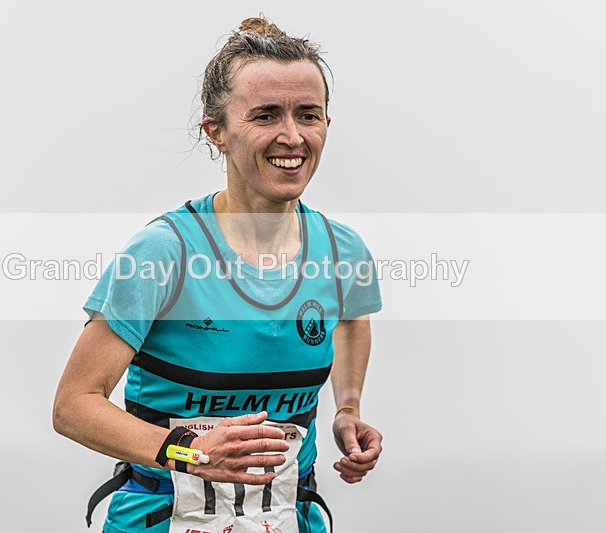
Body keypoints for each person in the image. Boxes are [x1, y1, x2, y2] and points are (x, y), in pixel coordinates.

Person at [53, 16, 383, 533]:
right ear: (216, 131)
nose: (292, 136)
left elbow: (350, 322)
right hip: (160, 520)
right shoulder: (164, 252)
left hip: (291, 519)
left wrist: (347, 407)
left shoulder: (343, 251)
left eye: (308, 114)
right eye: (266, 115)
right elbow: (74, 406)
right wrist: (188, 453)